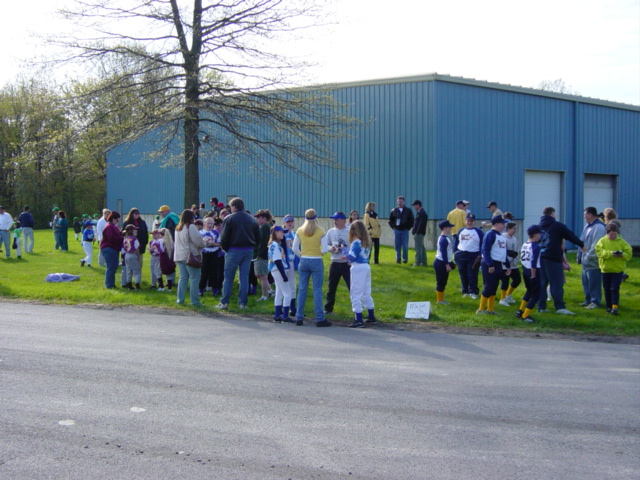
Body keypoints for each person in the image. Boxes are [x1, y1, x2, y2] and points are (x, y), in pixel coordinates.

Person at [537, 206, 584, 315]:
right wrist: (581, 244)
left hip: (540, 257)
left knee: (542, 283)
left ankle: (541, 306)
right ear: (552, 214)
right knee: (556, 283)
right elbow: (570, 236)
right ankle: (560, 307)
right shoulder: (557, 225)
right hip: (553, 257)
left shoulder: (538, 227)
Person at [217, 197, 260, 310]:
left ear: (234, 207)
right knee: (244, 277)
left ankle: (225, 302)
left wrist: (225, 248)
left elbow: (224, 237)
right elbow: (258, 237)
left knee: (228, 277)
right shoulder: (252, 219)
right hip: (248, 250)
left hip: (234, 249)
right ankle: (242, 303)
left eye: (231, 206)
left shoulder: (229, 218)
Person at [292, 209, 331, 327]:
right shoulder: (320, 230)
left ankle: (299, 317)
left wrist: (302, 255)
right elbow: (325, 249)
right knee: (317, 290)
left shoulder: (300, 230)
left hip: (304, 260)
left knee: (302, 289)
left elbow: (294, 248)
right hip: (316, 260)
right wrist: (319, 253)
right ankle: (319, 318)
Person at [341, 220, 378, 328]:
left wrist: (343, 250)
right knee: (366, 292)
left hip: (357, 268)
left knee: (355, 293)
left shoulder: (356, 242)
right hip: (366, 266)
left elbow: (352, 257)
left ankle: (358, 319)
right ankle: (371, 315)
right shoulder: (367, 242)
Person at [595, 222, 632, 315]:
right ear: (607, 233)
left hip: (617, 270)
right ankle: (608, 307)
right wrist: (611, 253)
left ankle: (614, 307)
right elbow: (599, 252)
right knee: (607, 289)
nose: (613, 236)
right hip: (606, 269)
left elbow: (629, 252)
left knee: (615, 288)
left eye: (615, 234)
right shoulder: (602, 241)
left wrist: (622, 255)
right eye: (611, 234)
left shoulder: (621, 241)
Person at [477, 216, 511, 315]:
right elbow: (485, 250)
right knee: (489, 286)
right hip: (490, 263)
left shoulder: (501, 236)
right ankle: (480, 309)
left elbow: (503, 252)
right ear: (496, 224)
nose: (504, 226)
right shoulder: (490, 234)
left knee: (494, 287)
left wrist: (507, 265)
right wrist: (490, 264)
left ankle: (490, 309)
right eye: (502, 223)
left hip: (498, 263)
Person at [174, 209, 206, 306]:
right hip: (190, 256)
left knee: (183, 278)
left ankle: (180, 300)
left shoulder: (178, 228)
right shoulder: (191, 227)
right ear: (191, 217)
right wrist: (204, 243)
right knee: (194, 278)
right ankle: (194, 301)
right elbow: (197, 240)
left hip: (179, 256)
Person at [577, 206, 606, 309]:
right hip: (585, 259)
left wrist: (589, 256)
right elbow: (582, 240)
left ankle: (595, 301)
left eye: (585, 214)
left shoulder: (599, 227)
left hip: (593, 260)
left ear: (590, 214)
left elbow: (596, 245)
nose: (584, 217)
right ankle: (588, 299)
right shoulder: (587, 226)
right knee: (586, 281)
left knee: (594, 282)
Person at [324, 211, 351, 315]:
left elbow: (355, 245)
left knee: (351, 286)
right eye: (334, 220)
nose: (334, 221)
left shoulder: (350, 231)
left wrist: (351, 258)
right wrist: (330, 248)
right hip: (335, 262)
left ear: (343, 220)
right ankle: (328, 308)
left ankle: (357, 309)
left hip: (347, 263)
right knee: (331, 287)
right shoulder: (331, 232)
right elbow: (326, 245)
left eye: (337, 219)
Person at [516, 225, 543, 323]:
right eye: (539, 234)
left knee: (529, 290)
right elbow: (533, 261)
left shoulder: (525, 244)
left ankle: (520, 310)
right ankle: (526, 315)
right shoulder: (535, 246)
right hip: (533, 271)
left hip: (525, 270)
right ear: (535, 234)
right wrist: (534, 274)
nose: (540, 235)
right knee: (536, 294)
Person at [454, 213, 483, 299]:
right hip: (461, 254)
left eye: (471, 221)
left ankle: (473, 291)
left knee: (472, 274)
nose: (469, 222)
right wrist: (455, 252)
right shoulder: (461, 231)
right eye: (468, 221)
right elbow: (456, 242)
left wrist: (480, 255)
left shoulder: (478, 232)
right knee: (463, 274)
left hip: (473, 255)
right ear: (465, 221)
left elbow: (482, 244)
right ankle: (465, 290)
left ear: (474, 222)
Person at [268, 225, 294, 322]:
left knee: (279, 292)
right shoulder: (275, 245)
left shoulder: (275, 244)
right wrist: (284, 275)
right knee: (288, 293)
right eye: (281, 232)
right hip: (278, 270)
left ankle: (277, 315)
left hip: (276, 270)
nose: (283, 233)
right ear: (276, 233)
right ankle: (285, 316)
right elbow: (277, 260)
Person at [499, 222, 521, 306]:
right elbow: (501, 250)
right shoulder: (503, 238)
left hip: (514, 264)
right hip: (505, 264)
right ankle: (502, 299)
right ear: (508, 229)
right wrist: (509, 255)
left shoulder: (514, 238)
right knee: (505, 281)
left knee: (517, 280)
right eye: (513, 228)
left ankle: (508, 294)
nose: (515, 230)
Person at [253, 209, 274, 301]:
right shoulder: (267, 226)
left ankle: (264, 296)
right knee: (259, 274)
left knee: (262, 276)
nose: (257, 220)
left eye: (259, 218)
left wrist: (260, 254)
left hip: (262, 255)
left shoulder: (265, 227)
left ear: (264, 218)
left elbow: (263, 242)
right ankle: (270, 291)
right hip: (265, 254)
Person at [434, 220, 455, 305]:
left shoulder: (445, 238)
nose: (451, 229)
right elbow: (444, 253)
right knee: (441, 281)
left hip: (443, 262)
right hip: (441, 263)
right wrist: (447, 265)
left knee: (444, 281)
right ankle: (439, 300)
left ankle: (441, 298)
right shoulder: (443, 239)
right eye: (449, 227)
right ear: (445, 228)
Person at [100, 211, 123, 289]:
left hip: (112, 248)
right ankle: (109, 285)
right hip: (109, 248)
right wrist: (121, 238)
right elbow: (112, 239)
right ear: (113, 219)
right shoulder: (109, 227)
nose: (118, 221)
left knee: (113, 266)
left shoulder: (113, 226)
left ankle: (111, 284)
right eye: (117, 219)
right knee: (111, 267)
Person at [388, 196, 414, 263]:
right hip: (397, 230)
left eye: (401, 201)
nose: (399, 203)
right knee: (397, 245)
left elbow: (411, 220)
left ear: (404, 202)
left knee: (405, 245)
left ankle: (405, 259)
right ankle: (398, 259)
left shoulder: (408, 210)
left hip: (405, 230)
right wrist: (393, 227)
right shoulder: (394, 210)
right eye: (398, 201)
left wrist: (408, 228)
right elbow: (390, 220)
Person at [282, 214, 299, 316]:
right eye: (287, 222)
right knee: (283, 285)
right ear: (284, 223)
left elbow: (298, 249)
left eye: (291, 222)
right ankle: (282, 307)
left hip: (292, 262)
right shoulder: (281, 234)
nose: (289, 223)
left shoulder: (296, 234)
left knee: (292, 285)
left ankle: (292, 308)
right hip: (283, 263)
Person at [199, 217, 217, 296]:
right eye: (208, 223)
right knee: (204, 272)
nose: (209, 225)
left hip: (214, 253)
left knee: (214, 272)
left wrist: (213, 244)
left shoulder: (216, 233)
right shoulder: (200, 233)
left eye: (211, 223)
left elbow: (220, 244)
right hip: (204, 253)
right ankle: (201, 289)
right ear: (204, 224)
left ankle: (215, 289)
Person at [122, 224, 142, 290]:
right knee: (137, 271)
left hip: (126, 255)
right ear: (130, 231)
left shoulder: (125, 238)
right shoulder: (134, 239)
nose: (136, 231)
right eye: (134, 230)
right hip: (133, 254)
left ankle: (129, 286)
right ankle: (137, 286)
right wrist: (138, 257)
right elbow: (137, 249)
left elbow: (124, 248)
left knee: (128, 270)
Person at [411, 200, 428, 267]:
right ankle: (424, 262)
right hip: (419, 232)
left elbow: (421, 224)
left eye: (415, 205)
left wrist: (417, 231)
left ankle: (417, 262)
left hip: (419, 233)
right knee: (421, 247)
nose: (414, 207)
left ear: (418, 205)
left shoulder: (422, 213)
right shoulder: (419, 213)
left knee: (418, 248)